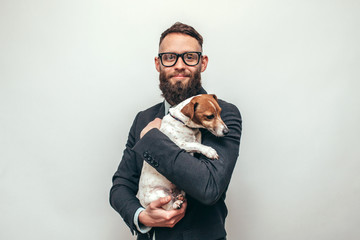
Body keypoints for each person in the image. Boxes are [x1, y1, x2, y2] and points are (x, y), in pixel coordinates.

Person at [110, 22, 242, 240]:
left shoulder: (222, 114)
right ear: (158, 63)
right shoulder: (143, 119)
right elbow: (121, 185)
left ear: (203, 62)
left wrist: (153, 138)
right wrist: (141, 216)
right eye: (170, 57)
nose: (179, 65)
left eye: (189, 57)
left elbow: (209, 188)